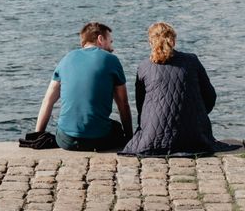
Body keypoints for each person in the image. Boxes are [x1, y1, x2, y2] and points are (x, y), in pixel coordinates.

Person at [121, 22, 233, 157]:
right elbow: (210, 96)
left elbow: (141, 105)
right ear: (173, 40)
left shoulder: (144, 67)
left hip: (153, 137)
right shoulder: (191, 60)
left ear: (150, 42)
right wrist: (196, 114)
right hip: (194, 135)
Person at [35, 22, 133, 151]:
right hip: (99, 140)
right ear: (100, 39)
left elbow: (47, 101)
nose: (111, 47)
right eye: (110, 41)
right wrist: (131, 138)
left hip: (66, 140)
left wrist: (37, 136)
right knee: (116, 128)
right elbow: (123, 104)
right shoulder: (111, 60)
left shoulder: (66, 59)